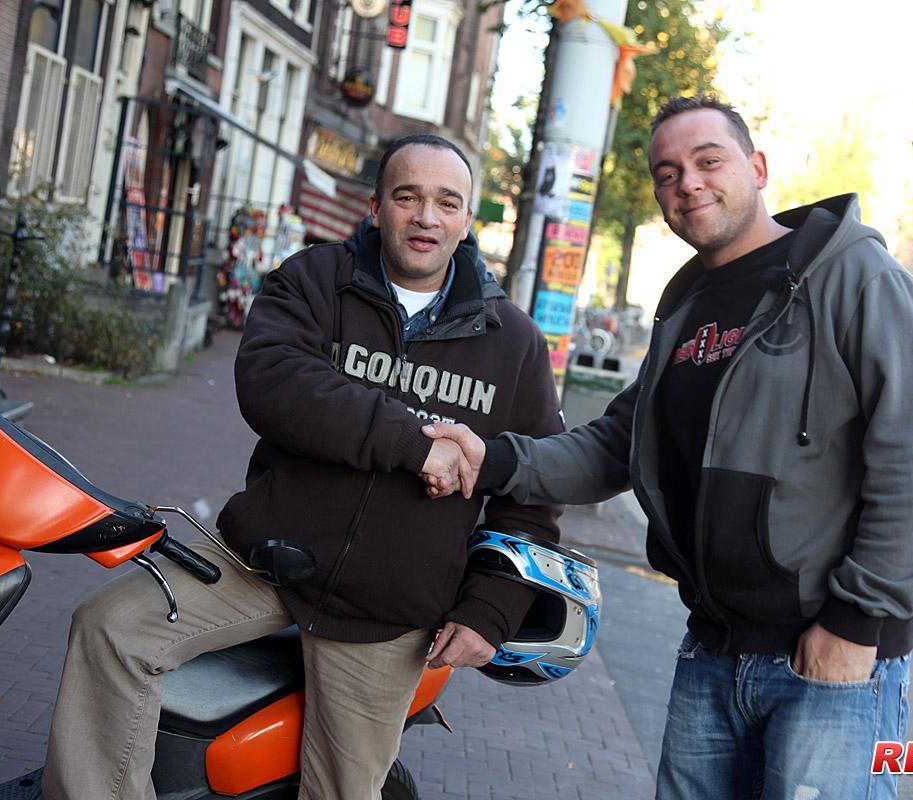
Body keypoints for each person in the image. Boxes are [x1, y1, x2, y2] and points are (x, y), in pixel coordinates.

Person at [422, 94, 913, 798]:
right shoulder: (687, 307)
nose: (688, 183)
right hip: (713, 650)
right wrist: (492, 459)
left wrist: (856, 623)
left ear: (758, 168)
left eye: (709, 161)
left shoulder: (857, 279)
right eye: (668, 173)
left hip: (829, 662)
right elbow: (616, 445)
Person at [41, 134, 564, 800]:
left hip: (388, 606)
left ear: (467, 222)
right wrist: (413, 443)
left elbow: (533, 494)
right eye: (407, 197)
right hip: (262, 558)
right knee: (109, 629)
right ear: (376, 207)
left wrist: (493, 607)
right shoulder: (316, 279)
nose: (425, 217)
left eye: (446, 202)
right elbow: (273, 381)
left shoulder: (515, 344)